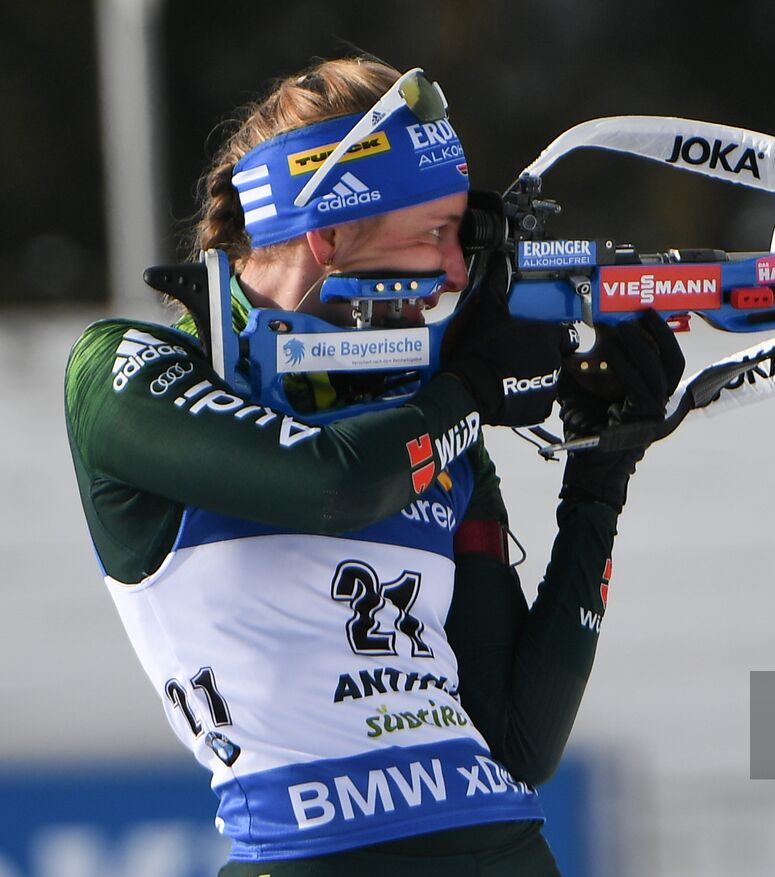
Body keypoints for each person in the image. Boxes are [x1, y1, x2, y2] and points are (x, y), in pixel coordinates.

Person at [63, 57, 682, 876]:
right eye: (433, 231)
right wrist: (468, 392)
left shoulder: (422, 416)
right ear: (328, 233)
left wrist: (602, 474)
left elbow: (519, 740)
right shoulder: (127, 368)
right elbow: (332, 482)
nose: (455, 272)